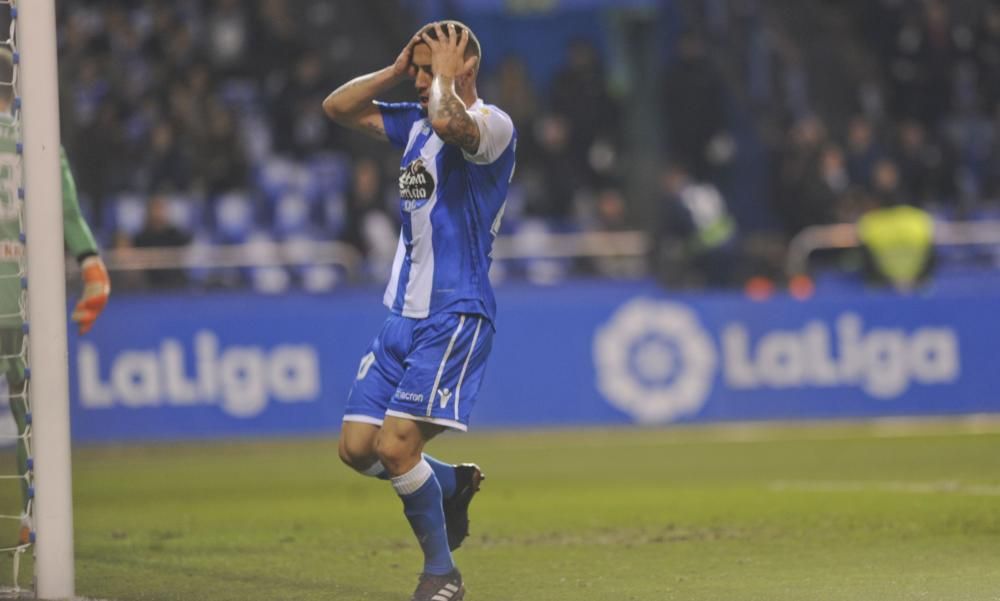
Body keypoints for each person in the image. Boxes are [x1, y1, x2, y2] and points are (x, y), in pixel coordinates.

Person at [323, 21, 516, 601]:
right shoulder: (413, 123)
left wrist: (445, 81)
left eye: (430, 70)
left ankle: (442, 574)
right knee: (357, 449)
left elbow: (450, 123)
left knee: (397, 446)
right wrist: (393, 69)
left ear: (466, 69)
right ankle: (450, 482)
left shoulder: (492, 125)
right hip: (402, 314)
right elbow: (337, 108)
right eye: (420, 70)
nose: (421, 80)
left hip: (454, 313)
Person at [0, 48, 110, 545]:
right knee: (28, 409)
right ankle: (35, 516)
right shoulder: (37, 137)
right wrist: (91, 265)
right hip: (23, 292)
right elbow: (66, 208)